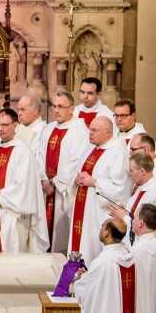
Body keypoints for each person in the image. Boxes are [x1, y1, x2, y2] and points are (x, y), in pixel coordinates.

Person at [0, 108, 47, 253]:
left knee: (10, 259)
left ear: (15, 125)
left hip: (12, 216)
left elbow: (23, 186)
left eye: (5, 125)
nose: (0, 129)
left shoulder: (23, 152)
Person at [63, 116, 129, 261]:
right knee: (80, 243)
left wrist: (94, 182)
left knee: (90, 248)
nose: (90, 133)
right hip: (83, 208)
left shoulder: (117, 151)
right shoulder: (92, 148)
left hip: (97, 212)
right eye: (90, 130)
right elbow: (80, 170)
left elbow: (121, 187)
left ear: (108, 132)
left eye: (95, 130)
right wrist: (77, 179)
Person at [40, 90, 87, 251]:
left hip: (64, 191)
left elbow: (77, 162)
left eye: (61, 106)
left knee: (60, 236)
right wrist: (44, 180)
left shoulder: (80, 131)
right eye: (54, 106)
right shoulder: (48, 128)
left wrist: (55, 182)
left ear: (72, 108)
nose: (56, 110)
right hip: (45, 189)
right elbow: (38, 155)